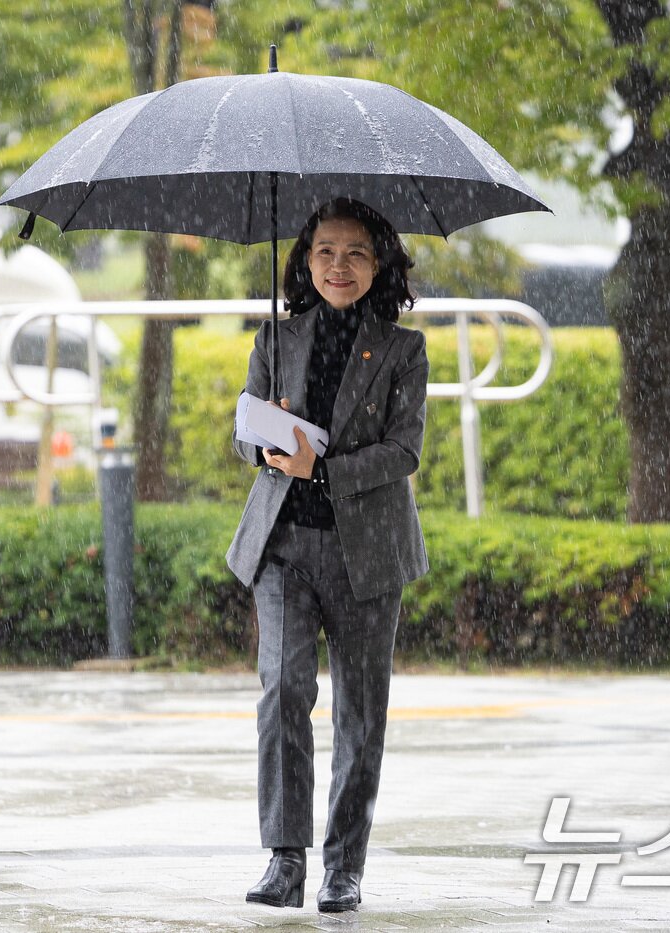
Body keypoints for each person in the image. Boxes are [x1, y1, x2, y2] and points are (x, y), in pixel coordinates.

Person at [227, 198, 429, 913]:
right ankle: (284, 857)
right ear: (304, 262)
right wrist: (265, 442)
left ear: (380, 266)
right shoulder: (275, 338)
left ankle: (344, 865)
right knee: (282, 688)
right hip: (283, 544)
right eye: (323, 252)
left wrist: (323, 467)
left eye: (354, 254)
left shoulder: (403, 349)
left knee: (360, 712)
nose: (337, 267)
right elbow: (244, 431)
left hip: (367, 552)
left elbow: (403, 449)